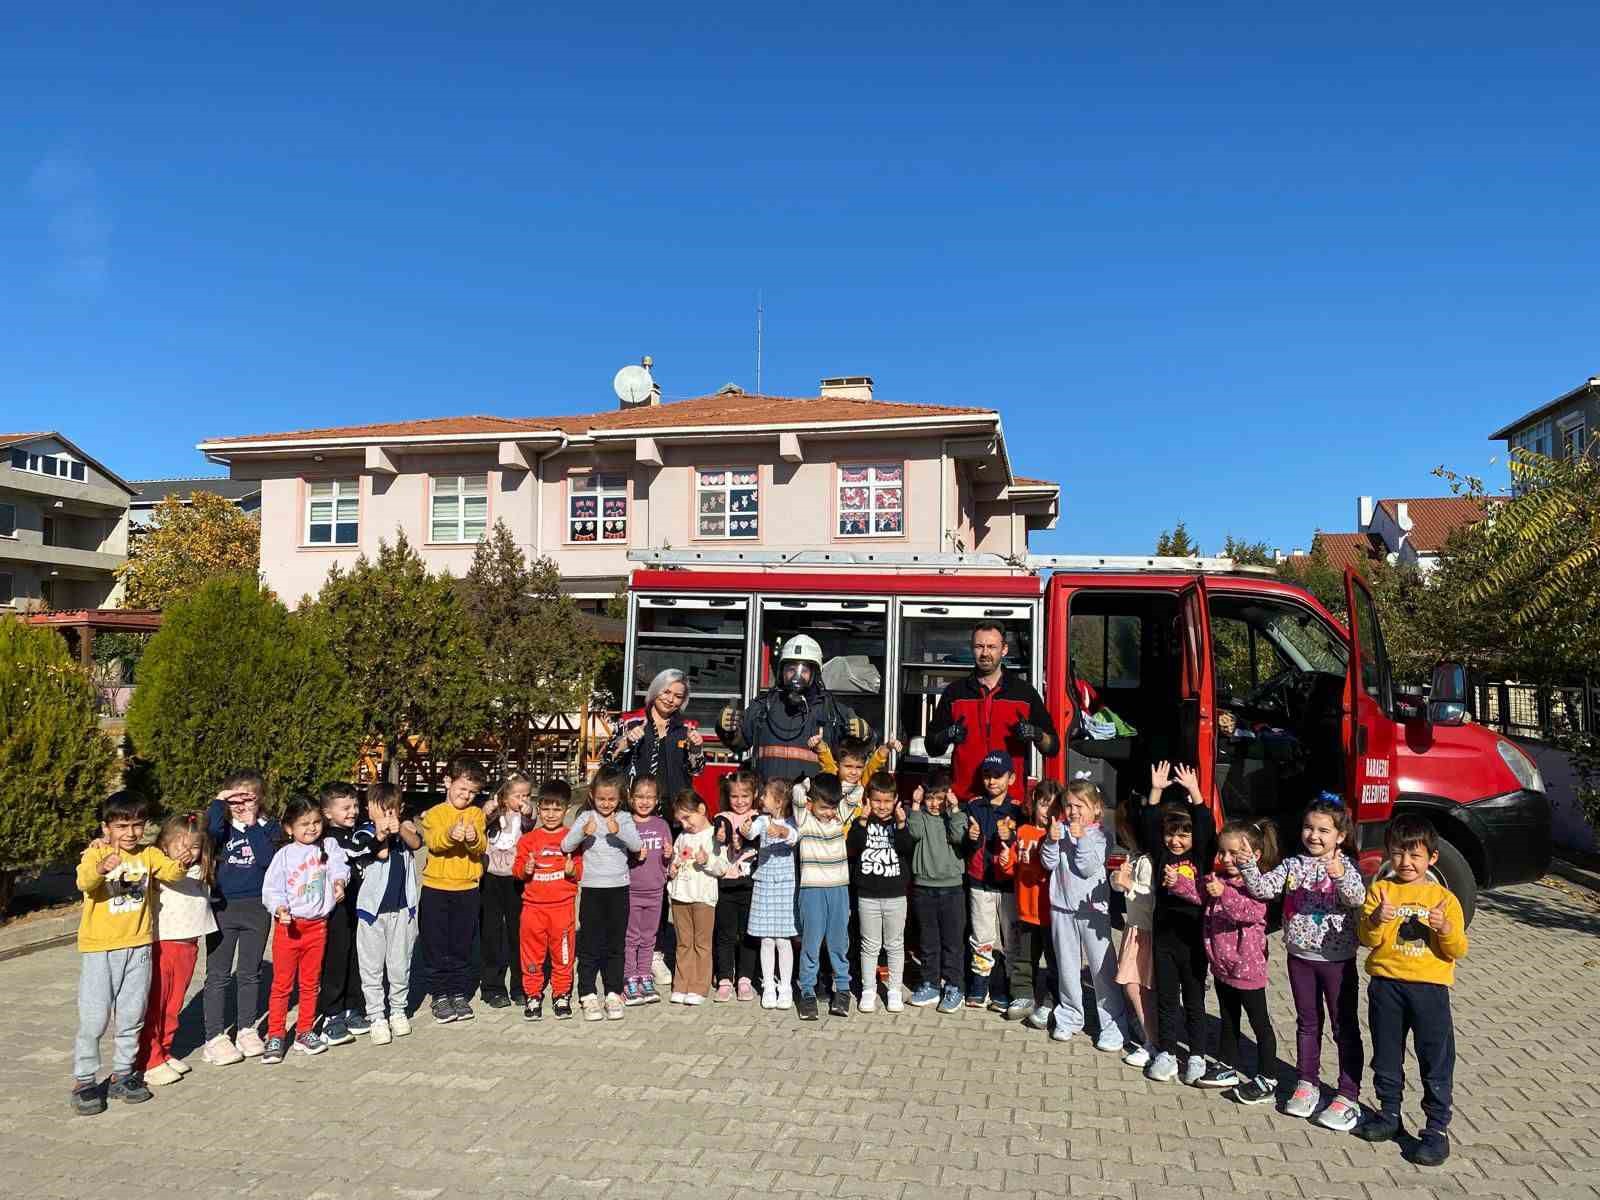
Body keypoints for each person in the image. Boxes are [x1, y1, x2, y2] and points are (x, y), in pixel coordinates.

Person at [1239, 792, 1367, 1130]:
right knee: (1307, 1024)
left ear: (1340, 836)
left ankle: (1348, 1094)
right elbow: (1264, 890)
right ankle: (1307, 1083)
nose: (1314, 836)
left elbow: (1357, 898)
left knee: (1344, 1027)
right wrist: (1248, 865)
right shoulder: (1293, 864)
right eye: (1309, 828)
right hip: (1300, 957)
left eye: (1324, 831)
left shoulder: (1347, 866)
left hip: (1337, 961)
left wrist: (1339, 873)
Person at [71, 792, 194, 1115]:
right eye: (122, 825)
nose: (130, 833)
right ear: (106, 827)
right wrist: (100, 867)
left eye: (137, 825)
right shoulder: (94, 854)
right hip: (101, 950)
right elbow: (85, 883)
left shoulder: (149, 854)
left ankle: (123, 1074)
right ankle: (84, 1080)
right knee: (95, 1018)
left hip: (139, 946)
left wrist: (181, 861)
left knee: (131, 1014)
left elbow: (171, 873)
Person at [1356, 816, 1469, 1167]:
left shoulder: (1444, 898)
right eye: (1398, 854)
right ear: (1389, 856)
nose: (1406, 863)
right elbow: (1366, 939)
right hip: (1386, 985)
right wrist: (1377, 920)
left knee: (1435, 1059)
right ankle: (1390, 1114)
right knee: (1387, 1054)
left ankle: (1436, 1129)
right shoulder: (1380, 891)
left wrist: (1445, 927)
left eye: (1415, 855)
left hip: (1430, 991)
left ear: (1432, 858)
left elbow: (1457, 949)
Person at [1140, 760, 1215, 1085]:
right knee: (1167, 998)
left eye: (1184, 834)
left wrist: (1196, 792)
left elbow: (1206, 827)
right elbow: (1148, 825)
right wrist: (1156, 790)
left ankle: (1197, 1055)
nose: (1176, 840)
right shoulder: (1161, 855)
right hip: (1165, 939)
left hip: (1194, 939)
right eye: (1171, 833)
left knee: (1195, 1000)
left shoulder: (1200, 857)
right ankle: (1167, 1053)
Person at [260, 795, 351, 1064]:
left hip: (317, 927)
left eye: (315, 822)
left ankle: (304, 1031)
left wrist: (338, 882)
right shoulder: (284, 856)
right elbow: (272, 889)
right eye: (303, 824)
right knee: (282, 985)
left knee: (310, 984)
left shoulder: (328, 845)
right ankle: (275, 1034)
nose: (311, 828)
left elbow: (339, 865)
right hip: (290, 928)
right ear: (289, 828)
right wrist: (279, 908)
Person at [925, 622, 1058, 802]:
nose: (985, 653)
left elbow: (1053, 747)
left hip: (1010, 804)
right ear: (972, 649)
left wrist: (1036, 734)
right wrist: (946, 735)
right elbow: (931, 747)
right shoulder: (955, 693)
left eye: (992, 647)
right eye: (979, 646)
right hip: (965, 801)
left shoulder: (1025, 693)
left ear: (1004, 650)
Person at [1041, 780, 1128, 1050]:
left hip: (1092, 911)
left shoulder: (1102, 834)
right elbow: (1049, 863)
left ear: (1096, 808)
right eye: (1069, 805)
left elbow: (1088, 867)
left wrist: (1079, 839)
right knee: (1067, 966)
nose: (1074, 810)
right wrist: (1051, 841)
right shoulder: (1061, 828)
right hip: (1062, 908)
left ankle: (1113, 1022)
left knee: (1102, 968)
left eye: (1080, 805)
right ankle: (1070, 1016)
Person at [719, 634, 871, 784]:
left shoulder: (830, 711)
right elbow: (738, 743)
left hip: (811, 805)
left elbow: (859, 751)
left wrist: (865, 735)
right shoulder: (762, 708)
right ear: (782, 672)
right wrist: (726, 729)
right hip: (769, 802)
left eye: (804, 670)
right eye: (791, 669)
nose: (796, 677)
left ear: (814, 674)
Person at [1200, 819, 1280, 1104]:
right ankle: (1227, 1065)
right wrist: (1178, 883)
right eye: (1223, 852)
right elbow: (1200, 896)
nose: (1227, 859)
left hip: (1248, 971)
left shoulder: (1259, 886)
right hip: (1223, 967)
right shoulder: (1220, 881)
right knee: (1228, 1018)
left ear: (1255, 855)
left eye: (1234, 853)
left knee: (1260, 1024)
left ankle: (1268, 1076)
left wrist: (1226, 895)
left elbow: (1250, 912)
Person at [201, 768, 277, 1065]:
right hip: (223, 908)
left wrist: (252, 824)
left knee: (250, 972)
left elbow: (267, 860)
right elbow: (211, 831)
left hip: (257, 908)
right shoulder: (222, 828)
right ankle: (214, 1036)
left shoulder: (268, 827)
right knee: (218, 975)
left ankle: (246, 1028)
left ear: (260, 800)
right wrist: (220, 802)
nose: (243, 805)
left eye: (250, 799)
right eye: (237, 799)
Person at [135, 814, 217, 1087]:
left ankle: (164, 1050)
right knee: (156, 1006)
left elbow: (217, 825)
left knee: (173, 1005)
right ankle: (149, 1059)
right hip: (164, 945)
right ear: (165, 846)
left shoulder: (201, 870)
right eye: (179, 845)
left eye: (193, 846)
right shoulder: (161, 871)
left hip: (189, 946)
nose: (187, 852)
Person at [563, 768, 643, 1020]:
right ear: (592, 796)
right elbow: (566, 845)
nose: (606, 804)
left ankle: (613, 992)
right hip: (592, 889)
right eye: (601, 799)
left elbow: (637, 845)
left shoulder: (625, 818)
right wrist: (581, 832)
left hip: (619, 888)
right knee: (589, 943)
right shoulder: (586, 816)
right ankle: (587, 993)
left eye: (611, 799)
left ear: (620, 798)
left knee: (615, 943)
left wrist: (618, 829)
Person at [418, 756, 489, 1025]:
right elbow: (434, 843)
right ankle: (439, 994)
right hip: (436, 888)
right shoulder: (435, 814)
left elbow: (481, 846)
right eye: (462, 789)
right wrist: (450, 835)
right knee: (437, 944)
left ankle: (458, 992)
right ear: (448, 782)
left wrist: (472, 839)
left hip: (467, 889)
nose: (467, 796)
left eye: (473, 792)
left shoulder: (476, 814)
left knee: (461, 943)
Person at [354, 782, 422, 1045]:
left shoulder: (404, 831)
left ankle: (397, 1010)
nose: (388, 817)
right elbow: (378, 853)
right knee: (371, 967)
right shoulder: (363, 833)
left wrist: (402, 830)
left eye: (392, 811)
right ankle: (376, 1015)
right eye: (382, 811)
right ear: (369, 810)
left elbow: (416, 843)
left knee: (399, 964)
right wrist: (383, 833)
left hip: (403, 911)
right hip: (372, 913)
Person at [314, 781, 379, 1045]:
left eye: (355, 805)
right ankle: (332, 1013)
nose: (352, 811)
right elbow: (358, 850)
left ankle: (353, 1006)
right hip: (337, 909)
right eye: (345, 807)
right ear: (328, 813)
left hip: (359, 905)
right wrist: (381, 838)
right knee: (336, 960)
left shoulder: (358, 831)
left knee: (356, 957)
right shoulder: (329, 837)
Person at [847, 772, 913, 1013]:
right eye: (877, 801)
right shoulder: (861, 823)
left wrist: (902, 824)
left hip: (896, 894)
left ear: (895, 800)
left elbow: (907, 848)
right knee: (869, 945)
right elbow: (853, 847)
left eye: (887, 801)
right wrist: (862, 821)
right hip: (867, 895)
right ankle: (868, 990)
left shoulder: (900, 824)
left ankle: (894, 990)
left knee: (895, 945)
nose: (882, 806)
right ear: (868, 800)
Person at [513, 779, 579, 1022]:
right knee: (532, 954)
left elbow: (580, 870)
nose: (551, 815)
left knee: (563, 954)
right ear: (538, 808)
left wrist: (573, 870)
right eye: (546, 809)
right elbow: (517, 870)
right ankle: (533, 994)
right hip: (533, 909)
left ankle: (562, 994)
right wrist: (526, 868)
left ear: (567, 810)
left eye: (557, 809)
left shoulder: (572, 838)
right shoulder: (528, 840)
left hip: (562, 909)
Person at [962, 751, 1024, 1009]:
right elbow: (964, 845)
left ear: (1011, 778)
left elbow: (1026, 846)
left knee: (1011, 938)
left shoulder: (1019, 810)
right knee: (982, 936)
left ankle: (1007, 985)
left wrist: (1010, 835)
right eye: (987, 775)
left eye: (998, 776)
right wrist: (972, 837)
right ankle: (980, 985)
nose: (992, 781)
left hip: (1009, 884)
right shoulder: (974, 806)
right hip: (980, 883)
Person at [905, 768, 967, 1014]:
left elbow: (959, 836)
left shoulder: (952, 817)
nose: (934, 803)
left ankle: (954, 986)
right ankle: (930, 984)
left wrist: (953, 809)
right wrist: (917, 804)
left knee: (952, 943)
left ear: (948, 796)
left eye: (939, 798)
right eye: (930, 797)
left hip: (952, 889)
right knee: (928, 942)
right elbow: (914, 831)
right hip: (924, 888)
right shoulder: (920, 815)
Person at [792, 773, 853, 1020]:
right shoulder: (804, 820)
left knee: (839, 943)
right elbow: (796, 793)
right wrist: (808, 785)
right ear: (811, 803)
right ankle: (807, 991)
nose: (829, 813)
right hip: (812, 891)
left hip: (839, 890)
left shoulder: (840, 818)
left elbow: (857, 790)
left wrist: (839, 787)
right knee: (811, 943)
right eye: (824, 807)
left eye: (832, 807)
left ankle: (843, 989)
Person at [1003, 779, 1059, 1027]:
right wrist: (1005, 860)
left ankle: (1051, 999)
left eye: (1054, 806)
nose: (1048, 811)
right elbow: (1011, 868)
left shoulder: (1057, 835)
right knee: (1024, 959)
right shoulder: (1023, 832)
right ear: (1034, 803)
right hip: (1026, 911)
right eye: (1044, 804)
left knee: (1055, 961)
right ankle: (1023, 996)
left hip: (1052, 914)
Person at [603, 668, 707, 798]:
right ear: (655, 689)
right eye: (666, 692)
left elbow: (696, 771)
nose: (670, 699)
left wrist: (695, 749)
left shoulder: (687, 728)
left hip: (674, 806)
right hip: (636, 805)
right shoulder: (629, 721)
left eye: (678, 696)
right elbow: (607, 759)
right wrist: (626, 742)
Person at [742, 778, 801, 1009]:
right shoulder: (762, 819)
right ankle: (768, 985)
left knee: (784, 940)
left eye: (765, 795)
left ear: (778, 801)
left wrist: (781, 830)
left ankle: (785, 986)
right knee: (766, 939)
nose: (761, 799)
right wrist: (747, 829)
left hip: (786, 886)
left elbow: (793, 837)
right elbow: (750, 833)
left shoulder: (793, 821)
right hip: (764, 883)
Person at [666, 790, 728, 1005]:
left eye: (687, 817)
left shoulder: (714, 835)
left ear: (701, 810)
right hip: (680, 896)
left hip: (703, 897)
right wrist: (671, 868)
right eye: (680, 819)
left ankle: (699, 986)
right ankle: (681, 984)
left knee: (702, 944)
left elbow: (722, 867)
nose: (684, 824)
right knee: (683, 943)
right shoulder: (682, 837)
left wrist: (706, 861)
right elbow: (676, 858)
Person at [1111, 802, 1157, 1067]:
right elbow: (1126, 887)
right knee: (1133, 985)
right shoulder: (1136, 856)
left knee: (1139, 987)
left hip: (1145, 932)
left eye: (1124, 829)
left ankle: (1152, 1040)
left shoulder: (1148, 861)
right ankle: (1148, 1034)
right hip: (1134, 929)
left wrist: (1128, 885)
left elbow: (1149, 897)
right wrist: (1119, 881)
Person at [480, 774, 532, 1009]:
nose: (522, 799)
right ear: (503, 796)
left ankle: (520, 986)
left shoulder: (524, 817)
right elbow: (480, 823)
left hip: (515, 878)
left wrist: (528, 809)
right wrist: (487, 810)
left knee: (517, 933)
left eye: (527, 795)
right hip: (490, 878)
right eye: (517, 795)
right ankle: (492, 987)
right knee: (492, 932)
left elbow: (531, 822)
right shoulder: (493, 813)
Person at [710, 769, 761, 1001]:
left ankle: (745, 978)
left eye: (744, 796)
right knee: (725, 934)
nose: (739, 801)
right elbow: (724, 828)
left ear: (754, 795)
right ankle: (724, 978)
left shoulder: (759, 817)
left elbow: (755, 836)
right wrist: (723, 835)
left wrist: (747, 833)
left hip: (750, 885)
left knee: (749, 934)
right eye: (734, 797)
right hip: (726, 885)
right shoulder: (722, 816)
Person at [624, 776, 673, 1005]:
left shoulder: (661, 825)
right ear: (631, 798)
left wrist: (667, 855)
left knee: (648, 936)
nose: (644, 802)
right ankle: (629, 977)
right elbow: (617, 858)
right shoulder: (626, 823)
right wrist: (633, 856)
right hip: (632, 890)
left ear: (657, 799)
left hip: (655, 890)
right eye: (640, 797)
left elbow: (668, 859)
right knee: (631, 936)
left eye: (649, 797)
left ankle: (644, 974)